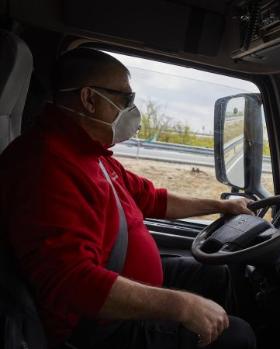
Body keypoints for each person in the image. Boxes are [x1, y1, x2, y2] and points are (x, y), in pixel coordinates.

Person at [0, 48, 257, 349]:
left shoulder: (89, 152)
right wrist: (182, 306)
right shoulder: (45, 166)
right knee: (238, 337)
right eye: (125, 99)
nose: (133, 109)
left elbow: (153, 199)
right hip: (96, 328)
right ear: (89, 99)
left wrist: (220, 205)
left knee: (215, 274)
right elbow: (71, 281)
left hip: (112, 280)